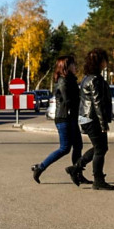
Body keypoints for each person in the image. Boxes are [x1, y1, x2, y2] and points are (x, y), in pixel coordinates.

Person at [31, 55, 83, 183]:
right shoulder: (63, 81)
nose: (75, 67)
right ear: (66, 67)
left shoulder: (71, 79)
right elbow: (68, 100)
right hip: (64, 118)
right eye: (73, 64)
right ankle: (40, 167)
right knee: (65, 148)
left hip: (71, 117)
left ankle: (77, 173)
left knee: (78, 145)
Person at [70, 48, 114, 190]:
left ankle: (76, 167)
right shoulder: (95, 80)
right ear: (100, 62)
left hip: (86, 117)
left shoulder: (87, 78)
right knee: (101, 149)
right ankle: (98, 180)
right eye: (104, 60)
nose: (106, 62)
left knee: (100, 147)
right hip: (93, 119)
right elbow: (98, 103)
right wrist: (103, 123)